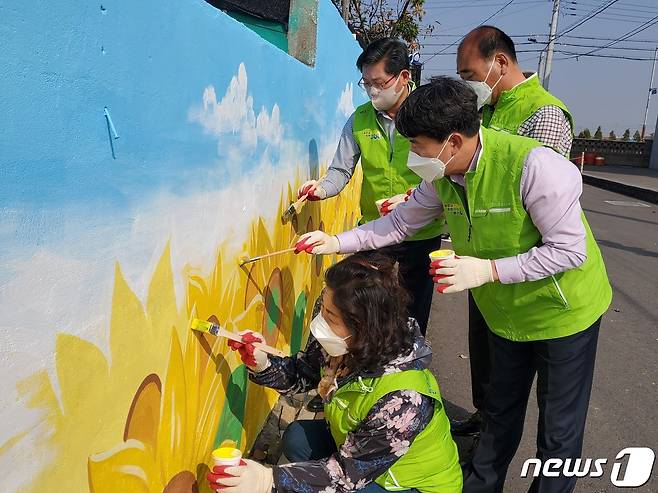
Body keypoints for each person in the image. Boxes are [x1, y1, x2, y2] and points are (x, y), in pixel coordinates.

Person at [295, 78, 612, 493]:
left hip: (563, 314)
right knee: (498, 414)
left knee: (559, 431)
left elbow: (571, 252)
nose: (413, 156)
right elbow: (398, 224)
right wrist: (335, 242)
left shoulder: (536, 168)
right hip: (506, 317)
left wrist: (486, 271)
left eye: (419, 146)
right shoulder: (443, 176)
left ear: (454, 141)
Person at [207, 252, 462, 493]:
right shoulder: (345, 344)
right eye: (323, 307)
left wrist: (268, 480)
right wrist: (261, 363)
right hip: (364, 456)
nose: (319, 320)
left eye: (330, 315)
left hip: (411, 484)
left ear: (363, 326)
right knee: (297, 438)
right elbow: (302, 374)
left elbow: (345, 476)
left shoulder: (404, 401)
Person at [451, 25, 576, 438]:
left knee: (537, 389)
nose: (467, 86)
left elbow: (542, 207)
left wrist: (495, 268)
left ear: (499, 63)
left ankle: (502, 436)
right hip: (482, 260)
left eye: (469, 75)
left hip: (524, 272)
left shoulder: (544, 114)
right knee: (486, 357)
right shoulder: (487, 111)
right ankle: (486, 419)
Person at [297, 37, 444, 336]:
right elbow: (340, 170)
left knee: (410, 321)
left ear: (404, 77)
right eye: (366, 84)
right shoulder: (360, 119)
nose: (373, 90)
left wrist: (411, 199)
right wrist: (322, 188)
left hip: (420, 234)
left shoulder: (429, 113)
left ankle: (405, 376)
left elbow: (445, 170)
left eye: (379, 82)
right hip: (374, 234)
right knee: (364, 317)